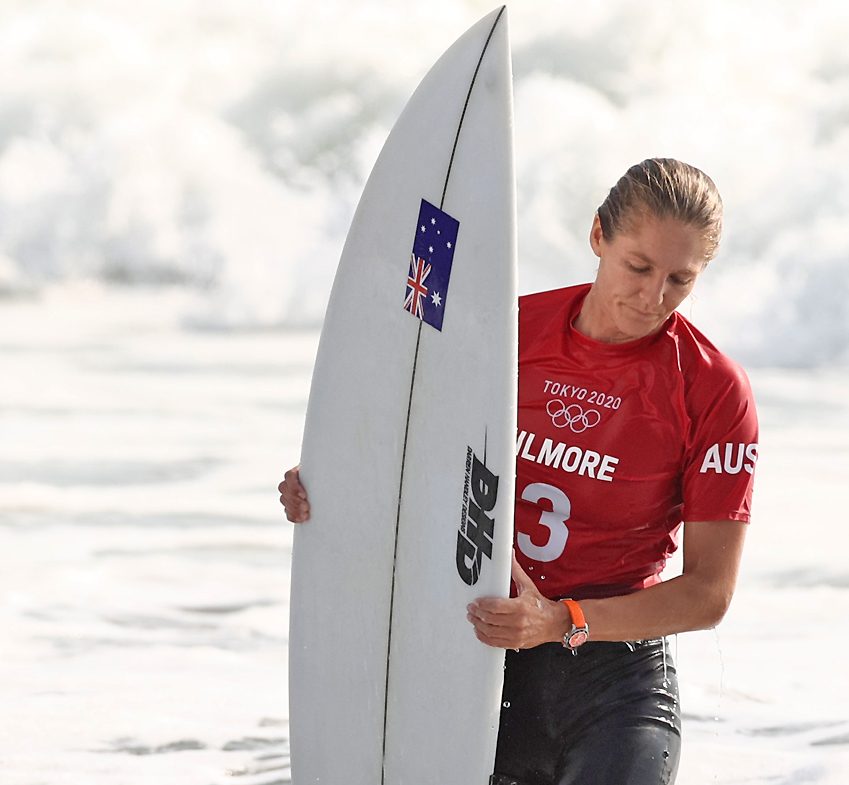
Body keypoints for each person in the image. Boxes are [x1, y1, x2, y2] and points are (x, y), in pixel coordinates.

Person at [279, 158, 759, 785]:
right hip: (475, 672)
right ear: (598, 237)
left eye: (680, 279)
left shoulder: (712, 390)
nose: (653, 297)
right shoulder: (504, 337)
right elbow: (402, 449)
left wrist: (564, 620)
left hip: (614, 682)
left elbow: (708, 594)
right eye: (638, 267)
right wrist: (328, 481)